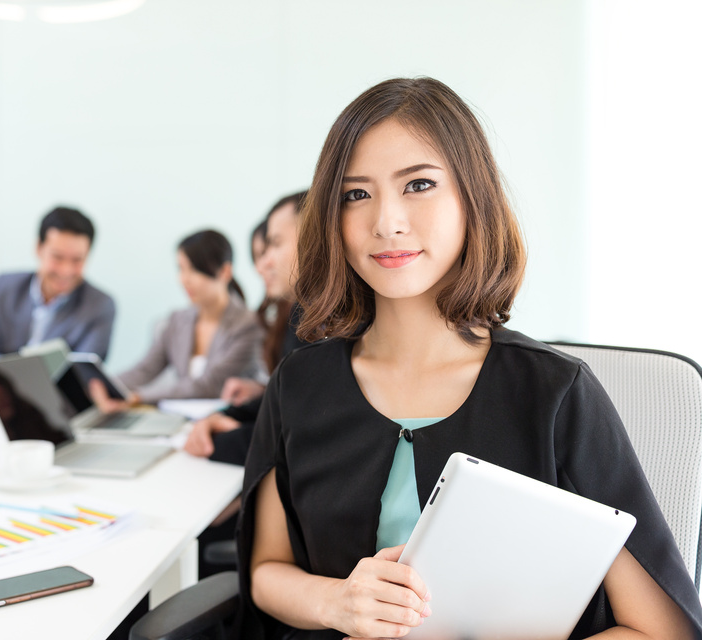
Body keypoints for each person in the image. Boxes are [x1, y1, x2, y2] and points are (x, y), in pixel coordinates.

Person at [238, 77, 702, 639]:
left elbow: (662, 629)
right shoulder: (301, 384)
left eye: (419, 184)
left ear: (471, 199)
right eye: (355, 194)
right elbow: (266, 572)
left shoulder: (553, 392)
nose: (387, 221)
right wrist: (337, 602)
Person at [184, 192, 307, 465]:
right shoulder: (300, 315)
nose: (262, 266)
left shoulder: (318, 323)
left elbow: (299, 435)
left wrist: (223, 436)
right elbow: (287, 400)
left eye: (273, 245)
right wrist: (228, 416)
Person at [0, 206, 115, 401]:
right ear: (39, 248)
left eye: (77, 260)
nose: (66, 270)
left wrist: (4, 382)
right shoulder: (4, 287)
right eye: (57, 257)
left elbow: (80, 374)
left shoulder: (99, 305)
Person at [89, 229, 263, 409]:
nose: (184, 279)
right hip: (178, 420)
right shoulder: (177, 321)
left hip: (227, 421)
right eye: (181, 269)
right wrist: (105, 386)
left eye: (195, 269)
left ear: (225, 271)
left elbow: (208, 386)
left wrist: (138, 397)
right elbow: (145, 369)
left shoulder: (249, 325)